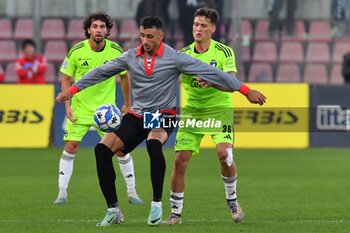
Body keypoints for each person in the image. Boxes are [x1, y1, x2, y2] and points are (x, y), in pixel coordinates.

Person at [55, 15, 266, 227]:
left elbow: (213, 73)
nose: (145, 41)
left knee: (154, 145)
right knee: (101, 151)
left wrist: (245, 90)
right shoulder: (130, 56)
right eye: (142, 36)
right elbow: (100, 72)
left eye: (150, 36)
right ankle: (113, 210)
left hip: (162, 114)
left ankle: (156, 205)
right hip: (137, 114)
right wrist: (72, 90)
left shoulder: (175, 58)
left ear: (161, 36)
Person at [162, 7, 248, 225]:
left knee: (224, 154)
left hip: (219, 110)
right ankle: (175, 214)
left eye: (202, 25)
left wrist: (211, 81)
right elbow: (168, 81)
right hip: (192, 112)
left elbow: (232, 84)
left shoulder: (224, 52)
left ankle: (232, 201)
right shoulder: (183, 55)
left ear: (212, 28)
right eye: (195, 24)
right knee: (180, 162)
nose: (198, 29)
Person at [53, 12, 143, 206]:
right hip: (81, 108)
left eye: (102, 27)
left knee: (120, 149)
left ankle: (132, 191)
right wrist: (68, 106)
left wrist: (127, 104)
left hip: (107, 112)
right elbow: (66, 78)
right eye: (95, 27)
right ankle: (62, 193)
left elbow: (125, 77)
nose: (99, 30)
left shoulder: (115, 50)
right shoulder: (77, 51)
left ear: (107, 30)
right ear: (88, 30)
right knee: (71, 146)